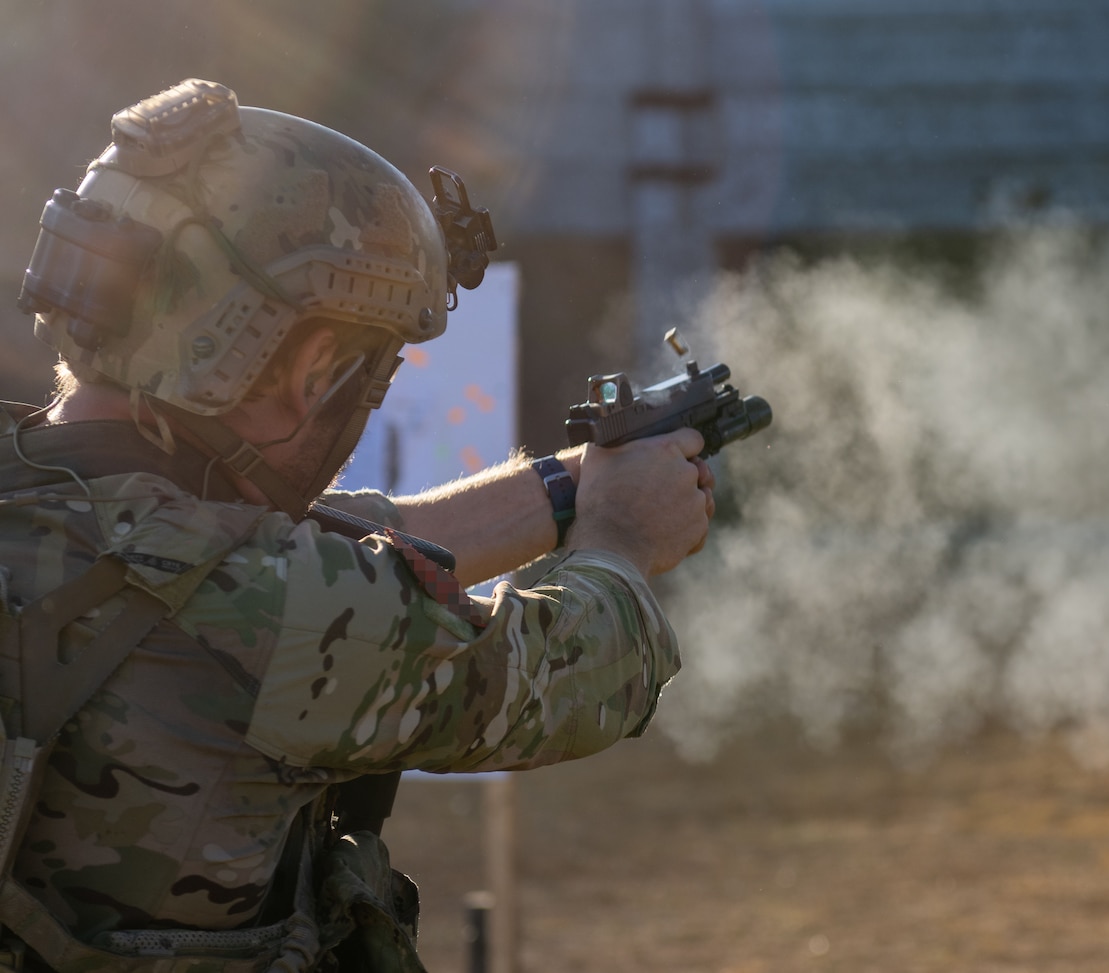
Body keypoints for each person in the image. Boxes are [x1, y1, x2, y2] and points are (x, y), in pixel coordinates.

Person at [0, 79, 714, 972]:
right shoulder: (271, 607)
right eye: (367, 371)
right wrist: (623, 540)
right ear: (313, 368)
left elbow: (344, 537)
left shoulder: (62, 500)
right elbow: (572, 674)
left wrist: (572, 483)